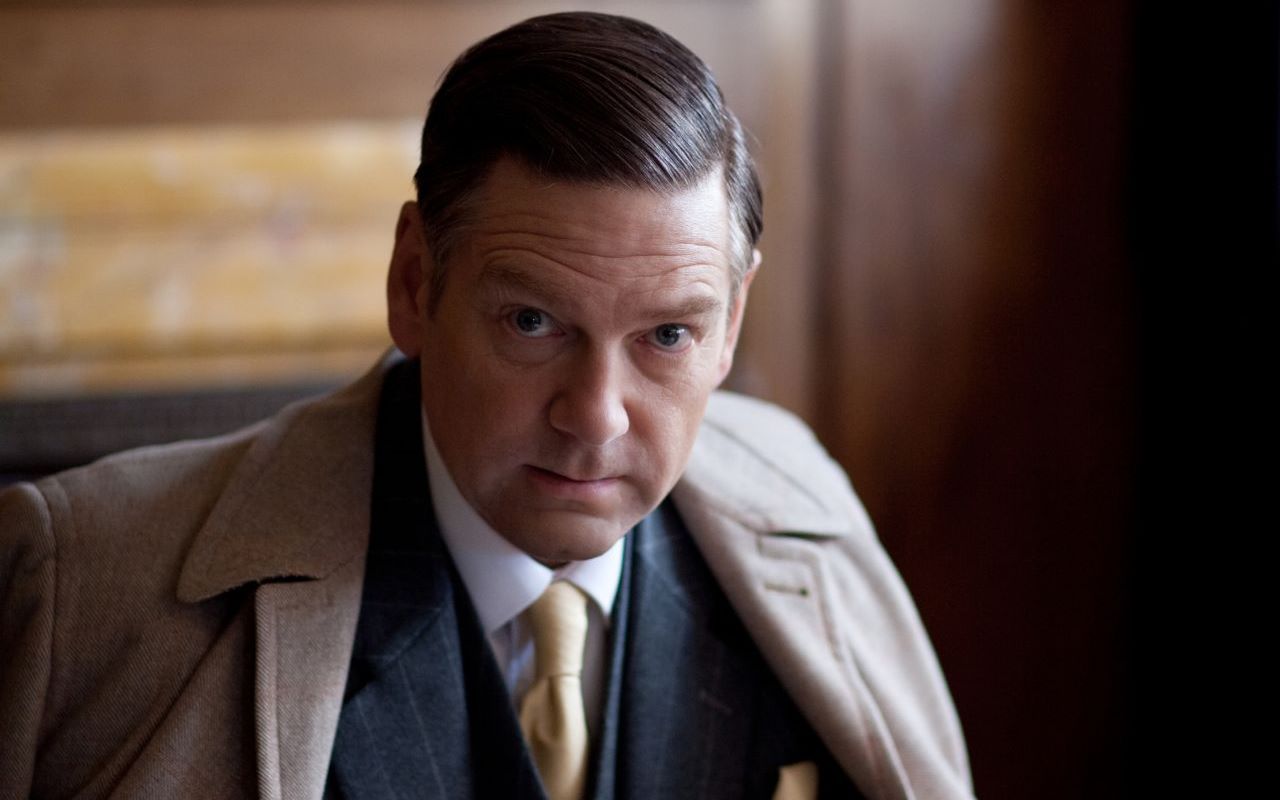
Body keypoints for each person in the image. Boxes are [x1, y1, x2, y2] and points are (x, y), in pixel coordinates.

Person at [0, 12, 971, 800]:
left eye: (668, 335)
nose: (596, 417)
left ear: (732, 323)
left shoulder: (808, 510)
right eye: (532, 322)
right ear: (414, 283)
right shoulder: (80, 585)